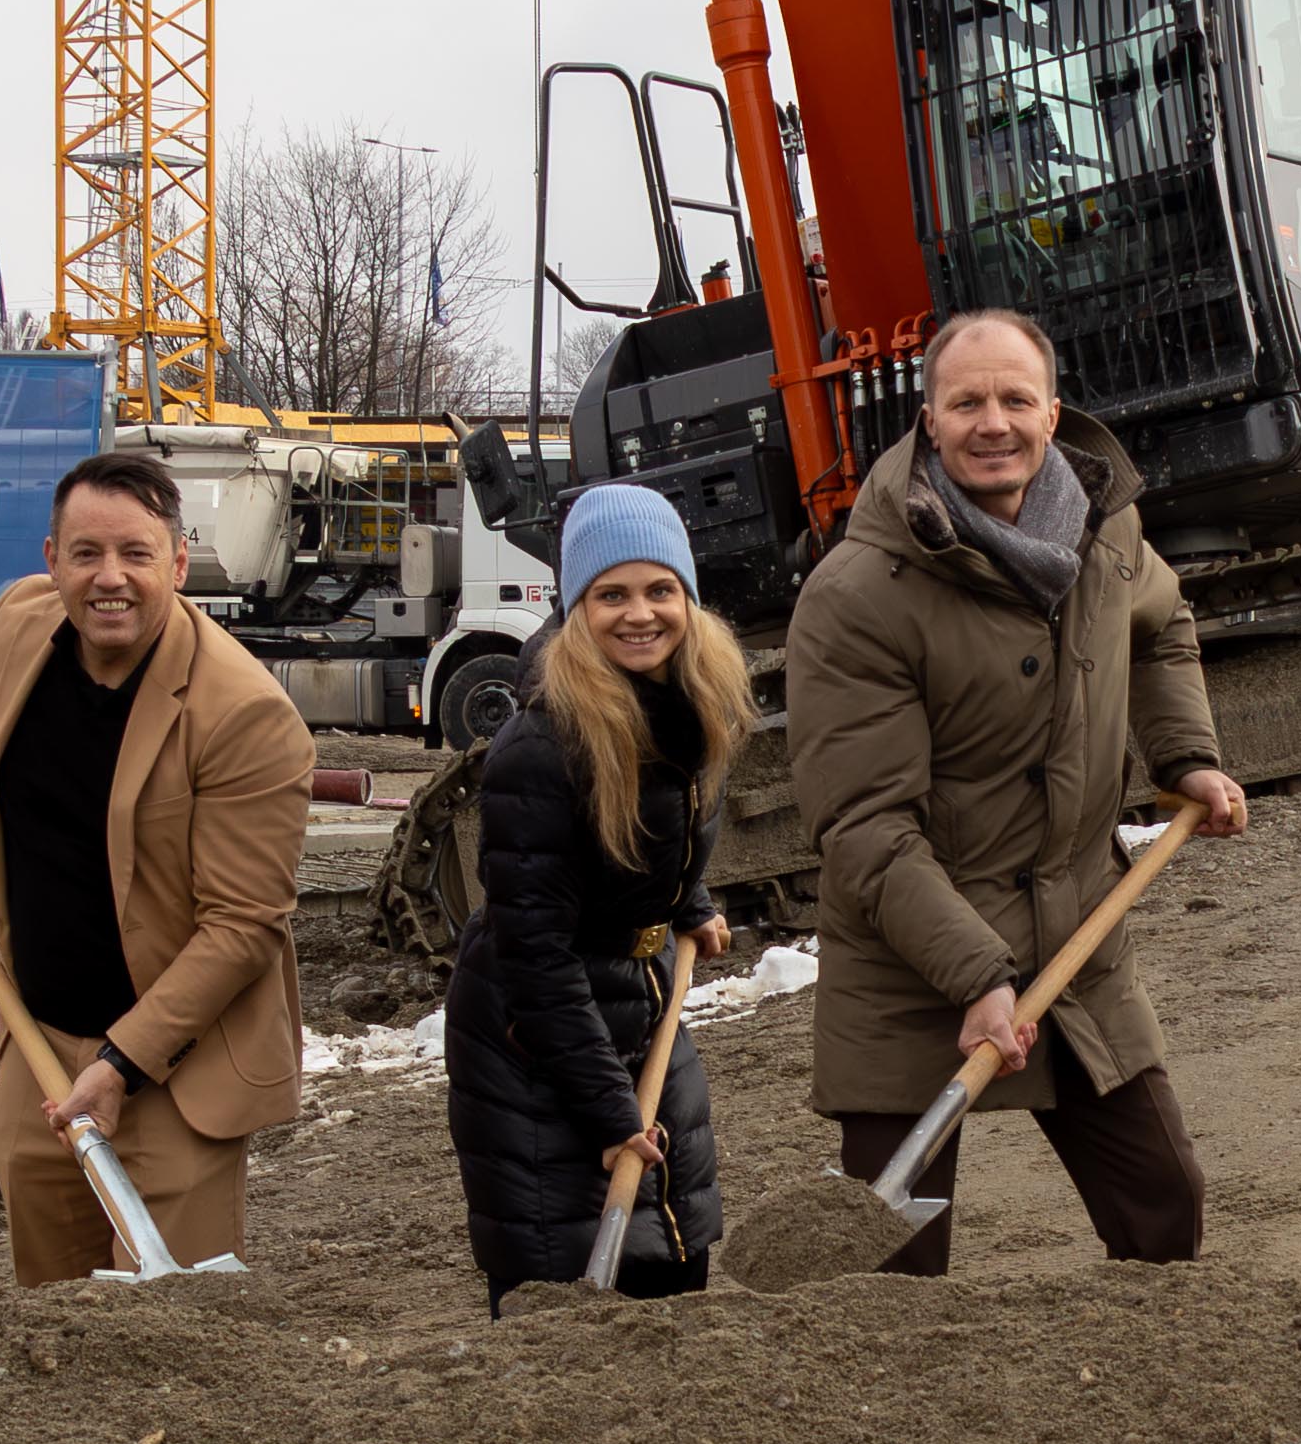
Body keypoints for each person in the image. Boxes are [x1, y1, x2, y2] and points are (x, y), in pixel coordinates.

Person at [786, 306, 1250, 1271]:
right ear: (927, 419)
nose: (991, 422)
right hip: (914, 960)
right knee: (890, 1261)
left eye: (1013, 399)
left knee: (1163, 1207)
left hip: (1075, 937)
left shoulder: (1103, 532)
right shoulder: (856, 594)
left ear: (1052, 412)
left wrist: (1184, 756)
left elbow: (1162, 627)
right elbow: (864, 826)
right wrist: (978, 976)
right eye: (966, 402)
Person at [0, 449, 316, 1283]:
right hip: (40, 1039)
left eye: (136, 554)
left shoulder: (244, 716)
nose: (110, 578)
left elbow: (244, 927)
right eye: (86, 554)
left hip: (176, 1065)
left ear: (179, 562)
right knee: (49, 1302)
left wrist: (122, 1064)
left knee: (169, 1332)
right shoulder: (22, 624)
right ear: (51, 562)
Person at [443, 483, 752, 1308]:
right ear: (575, 607)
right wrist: (612, 1112)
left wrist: (688, 901)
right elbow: (534, 957)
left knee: (676, 1252)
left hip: (641, 995)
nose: (639, 614)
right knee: (563, 1269)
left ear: (687, 597)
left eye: (660, 590)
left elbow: (657, 834)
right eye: (610, 594)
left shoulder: (696, 703)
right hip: (534, 1028)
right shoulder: (539, 749)